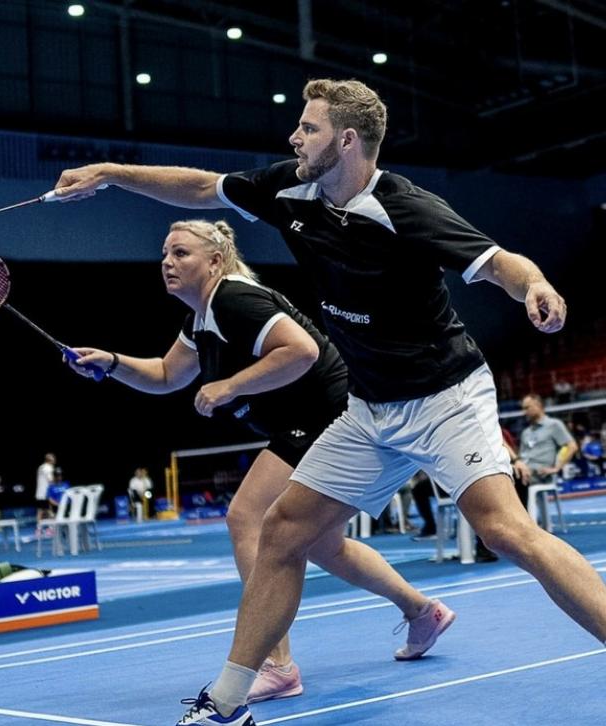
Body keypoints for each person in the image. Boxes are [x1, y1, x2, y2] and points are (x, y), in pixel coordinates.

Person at [53, 77, 606, 726]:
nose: (294, 137)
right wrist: (112, 173)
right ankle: (229, 702)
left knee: (506, 532)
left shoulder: (406, 207)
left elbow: (498, 261)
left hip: (445, 397)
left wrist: (535, 285)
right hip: (370, 408)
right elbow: (201, 186)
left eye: (307, 128)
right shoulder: (290, 189)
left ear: (346, 140)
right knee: (282, 530)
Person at [68, 218, 454, 704]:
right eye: (165, 254)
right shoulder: (201, 319)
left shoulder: (235, 299)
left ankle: (276, 664)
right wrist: (113, 363)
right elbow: (167, 375)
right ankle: (423, 612)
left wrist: (230, 385)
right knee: (323, 545)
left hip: (331, 413)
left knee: (247, 516)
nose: (168, 262)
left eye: (181, 253)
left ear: (215, 260)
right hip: (317, 419)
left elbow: (302, 350)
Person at [514, 394, 578, 499]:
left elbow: (572, 446)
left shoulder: (554, 425)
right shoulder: (525, 432)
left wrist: (557, 468)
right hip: (524, 471)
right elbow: (521, 457)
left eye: (527, 408)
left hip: (540, 475)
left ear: (538, 405)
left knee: (511, 479)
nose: (524, 412)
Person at [35, 453, 56, 528]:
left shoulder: (41, 467)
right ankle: (52, 527)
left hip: (39, 493)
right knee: (49, 510)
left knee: (40, 511)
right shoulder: (49, 468)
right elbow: (50, 480)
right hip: (45, 493)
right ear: (50, 460)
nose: (55, 460)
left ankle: (38, 528)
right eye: (53, 459)